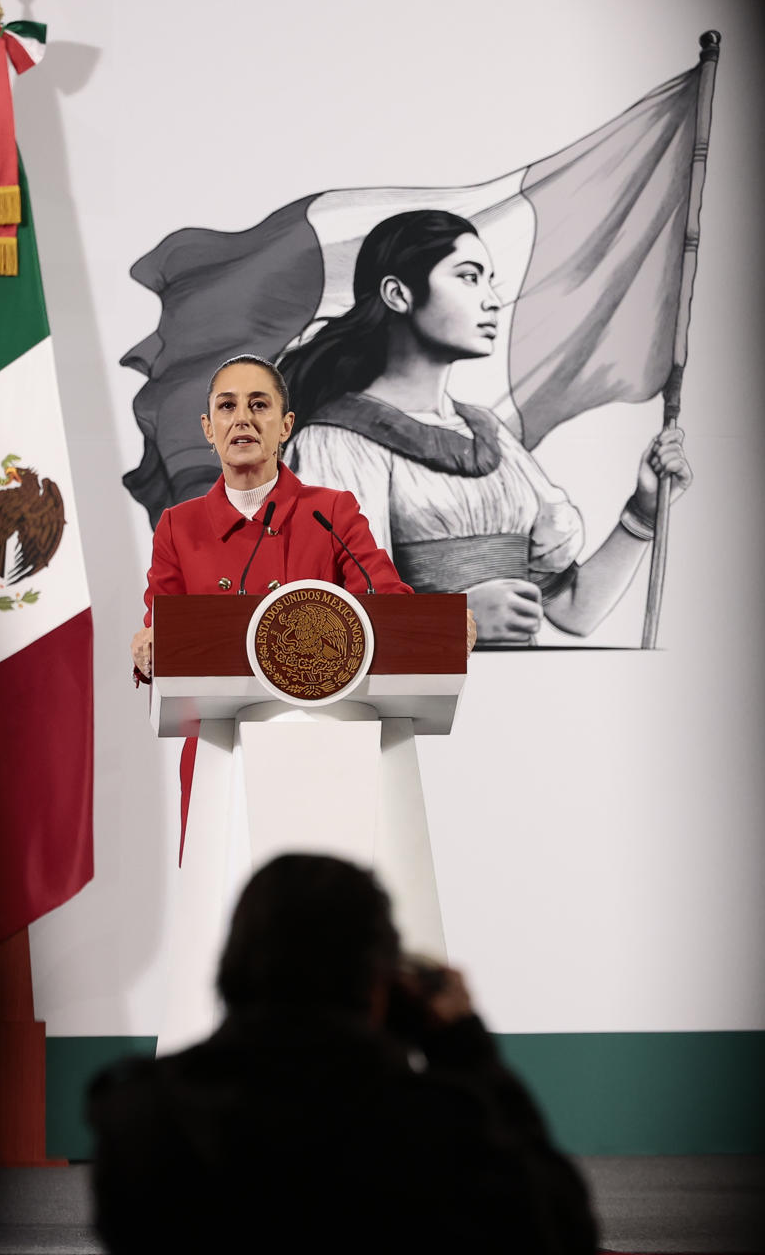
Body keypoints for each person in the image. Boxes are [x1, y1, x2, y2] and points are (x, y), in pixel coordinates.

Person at [87, 854, 601, 1254]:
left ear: (234, 962)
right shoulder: (436, 1129)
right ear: (382, 982)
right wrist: (465, 1048)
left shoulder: (141, 1119)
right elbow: (560, 1230)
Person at [280, 210, 695, 645]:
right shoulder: (335, 443)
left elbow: (575, 610)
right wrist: (455, 623)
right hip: (423, 709)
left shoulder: (489, 435)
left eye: (489, 278)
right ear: (397, 294)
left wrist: (644, 509)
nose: (493, 299)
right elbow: (319, 632)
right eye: (469, 277)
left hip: (520, 698)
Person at [129, 353, 474, 841]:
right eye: (227, 407)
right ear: (209, 428)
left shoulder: (331, 511)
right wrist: (149, 651)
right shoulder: (177, 527)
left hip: (328, 746)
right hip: (222, 754)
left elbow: (386, 597)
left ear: (286, 424)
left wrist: (434, 628)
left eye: (259, 405)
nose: (242, 418)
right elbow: (163, 633)